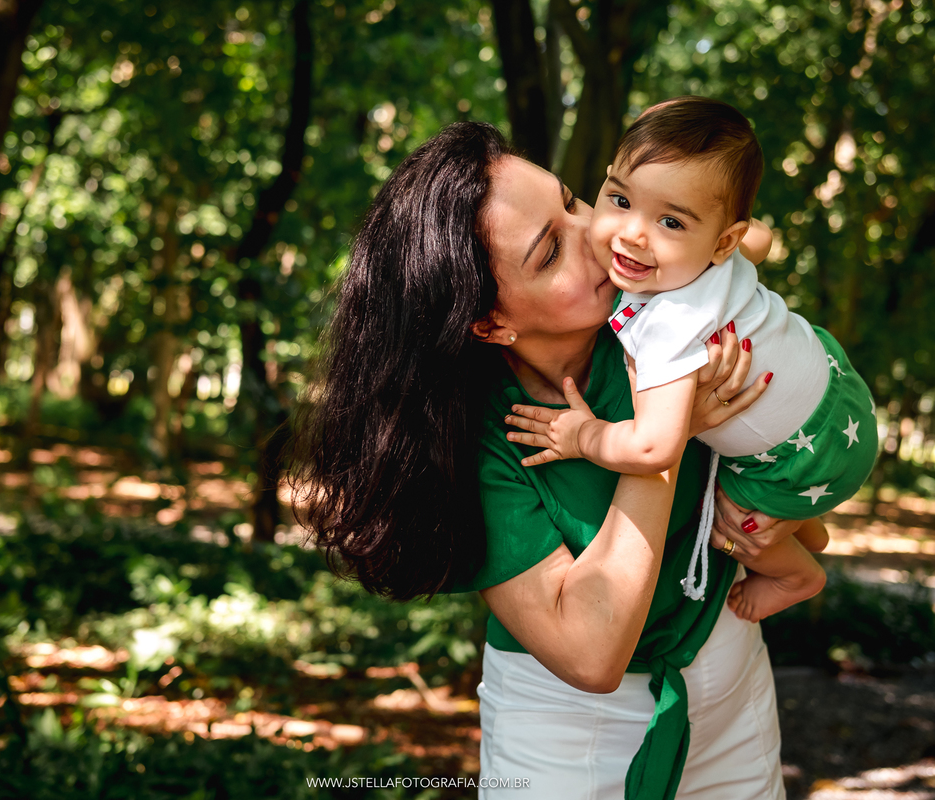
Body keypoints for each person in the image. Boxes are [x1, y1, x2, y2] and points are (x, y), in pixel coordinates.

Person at [293, 121, 805, 799]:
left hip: (731, 678)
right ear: (490, 322)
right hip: (569, 732)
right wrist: (665, 441)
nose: (599, 233)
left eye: (574, 201)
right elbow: (590, 651)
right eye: (550, 251)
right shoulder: (472, 443)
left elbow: (794, 461)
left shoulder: (665, 302)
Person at [507, 97, 877, 625]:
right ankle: (805, 524)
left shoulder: (667, 326)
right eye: (619, 198)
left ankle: (797, 574)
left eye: (671, 223)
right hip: (837, 389)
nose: (634, 233)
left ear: (722, 240)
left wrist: (581, 436)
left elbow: (654, 447)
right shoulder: (717, 252)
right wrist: (690, 222)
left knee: (726, 507)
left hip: (804, 456)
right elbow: (762, 236)